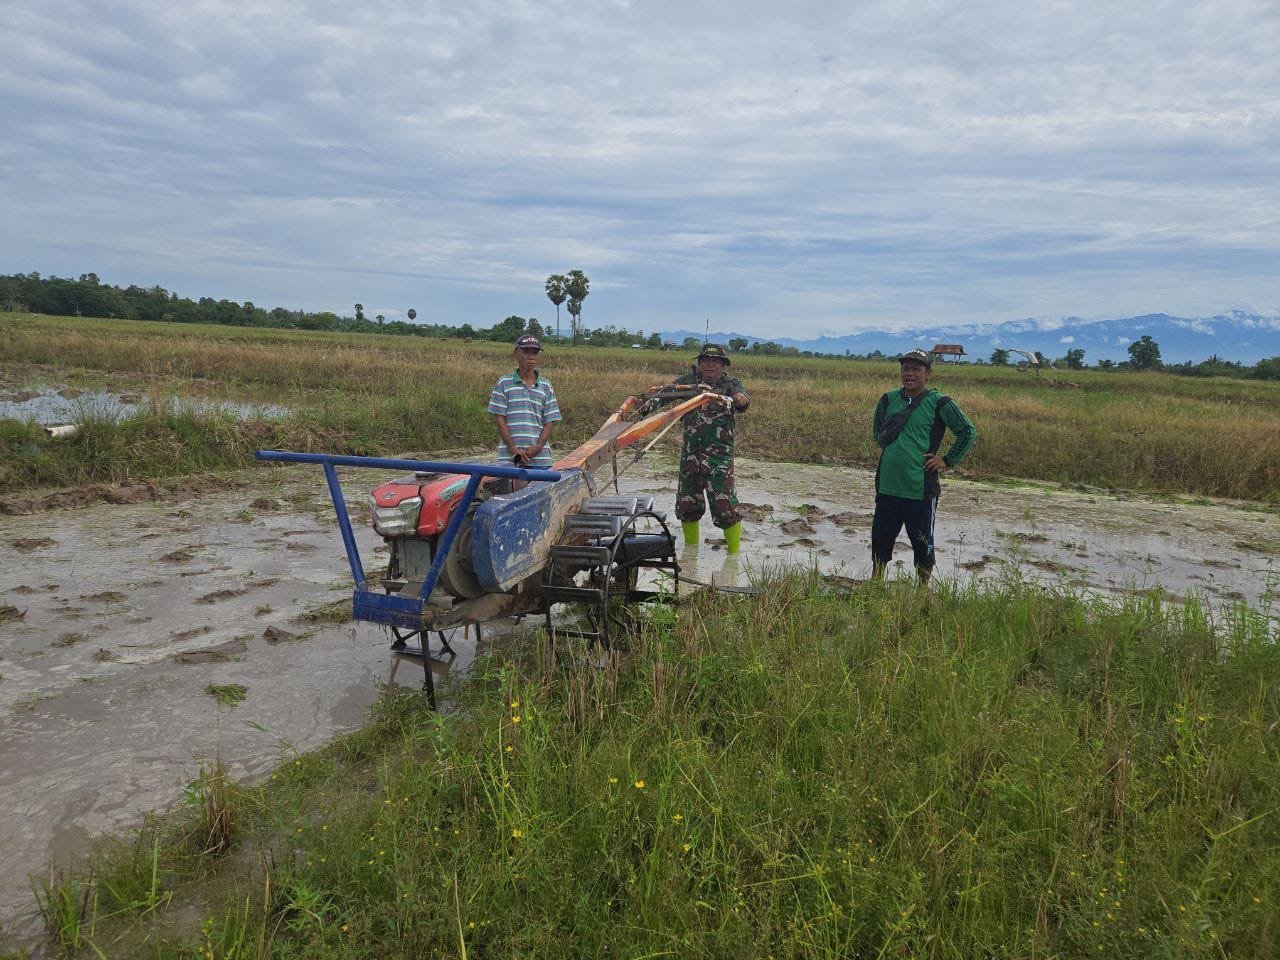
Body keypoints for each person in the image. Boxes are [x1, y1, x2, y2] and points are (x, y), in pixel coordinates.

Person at [870, 348, 976, 583]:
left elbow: (967, 431)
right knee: (880, 540)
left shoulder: (940, 402)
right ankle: (875, 584)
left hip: (920, 489)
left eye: (916, 369)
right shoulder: (888, 399)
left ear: (928, 373)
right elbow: (877, 433)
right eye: (905, 368)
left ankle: (922, 592)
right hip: (887, 485)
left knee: (922, 542)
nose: (909, 374)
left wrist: (946, 460)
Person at [652, 344, 750, 554]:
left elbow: (742, 400)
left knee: (726, 508)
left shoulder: (731, 384)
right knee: (688, 506)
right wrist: (645, 404)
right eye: (705, 359)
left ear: (723, 365)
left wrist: (739, 399)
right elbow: (662, 396)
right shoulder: (687, 383)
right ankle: (690, 555)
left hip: (719, 460)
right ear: (699, 363)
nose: (710, 364)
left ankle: (733, 558)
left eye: (715, 361)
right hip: (690, 456)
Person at [488, 334, 562, 471]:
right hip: (509, 459)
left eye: (535, 352)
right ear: (516, 353)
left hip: (540, 460)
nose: (531, 356)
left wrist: (537, 447)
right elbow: (500, 419)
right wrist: (512, 449)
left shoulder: (546, 386)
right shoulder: (504, 383)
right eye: (526, 351)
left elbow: (549, 421)